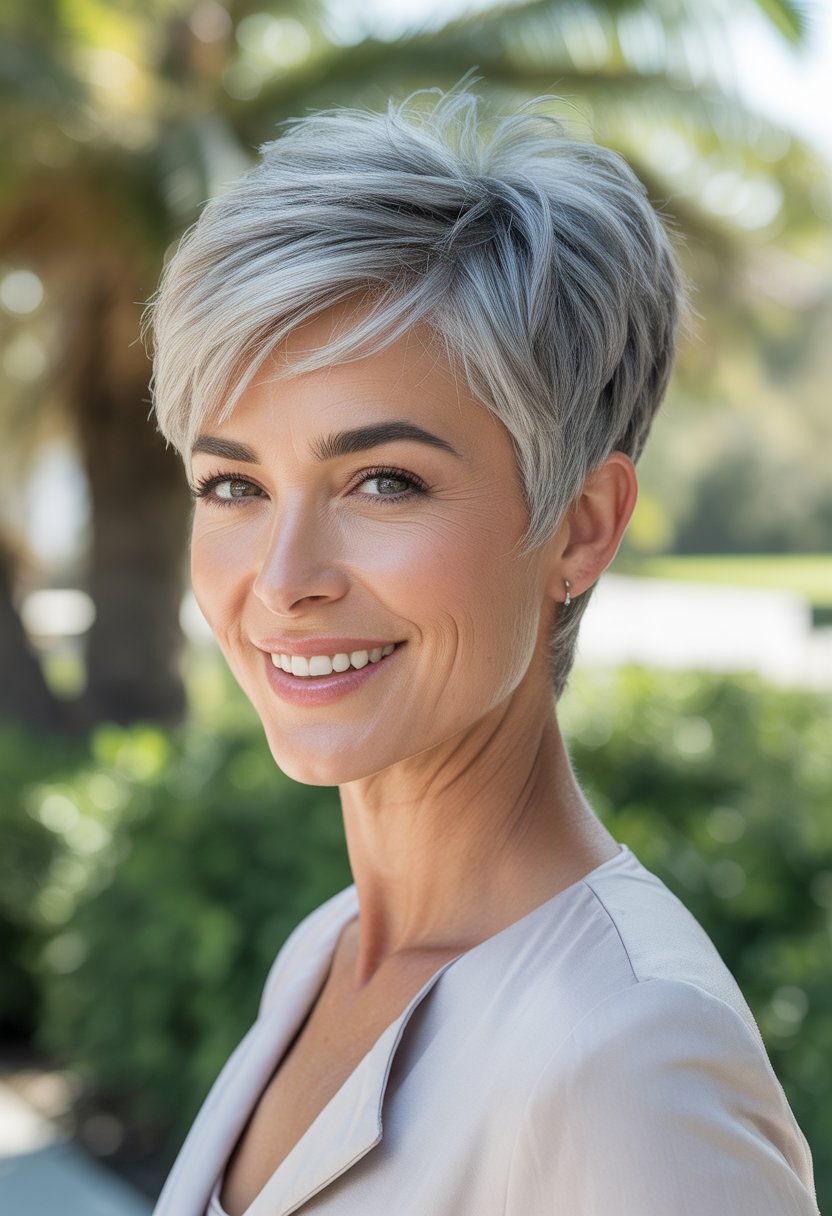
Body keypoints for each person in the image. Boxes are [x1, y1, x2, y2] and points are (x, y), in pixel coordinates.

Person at [146, 88, 819, 1216]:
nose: (283, 577)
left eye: (383, 480)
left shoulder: (634, 1059)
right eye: (233, 485)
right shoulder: (329, 952)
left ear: (581, 527)